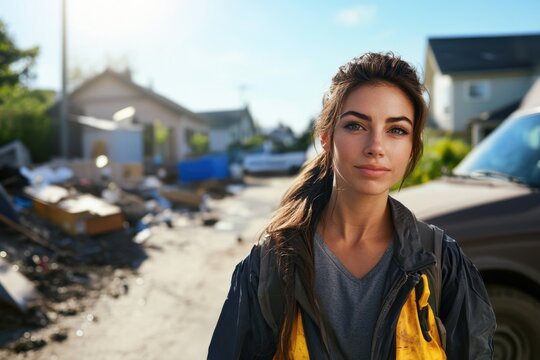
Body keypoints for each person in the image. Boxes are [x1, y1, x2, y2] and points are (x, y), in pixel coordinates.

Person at [208, 52, 496, 360]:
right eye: (356, 126)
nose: (376, 147)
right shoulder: (269, 266)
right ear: (327, 137)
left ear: (413, 147)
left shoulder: (439, 261)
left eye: (396, 130)